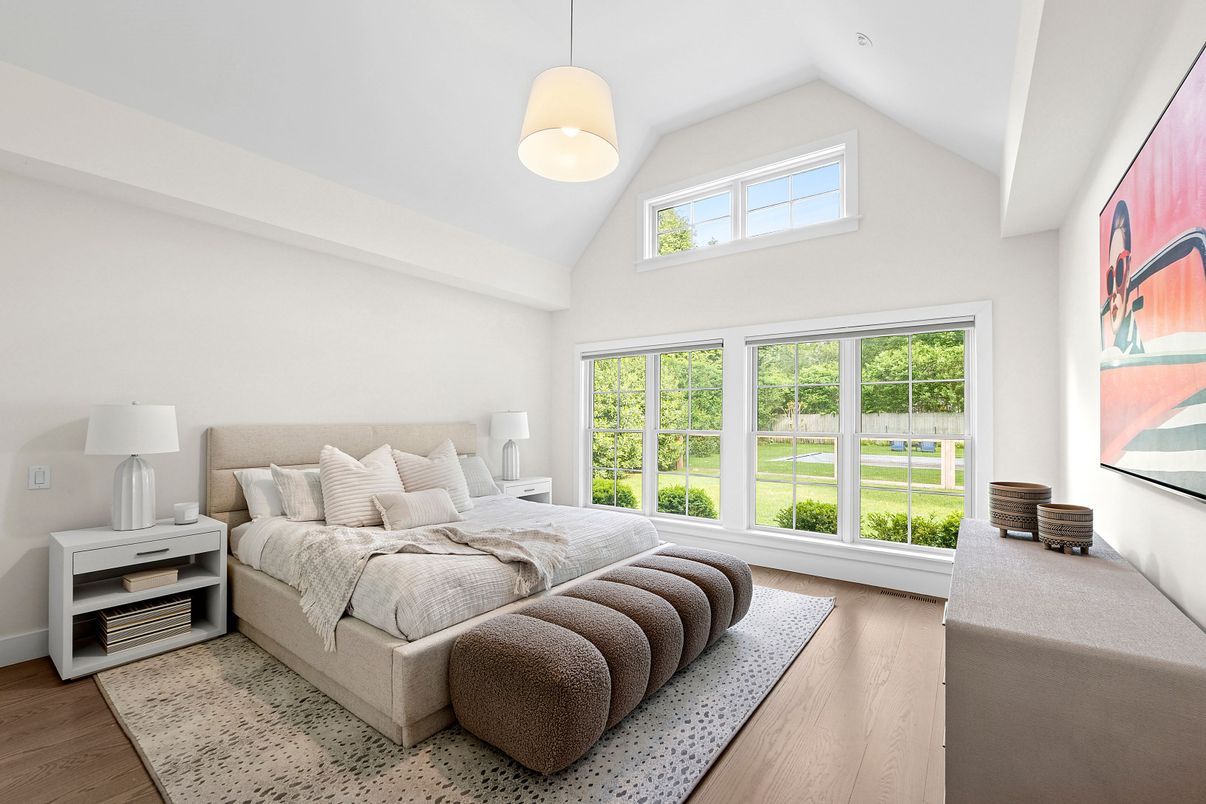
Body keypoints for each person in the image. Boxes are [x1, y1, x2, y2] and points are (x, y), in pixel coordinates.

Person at [1105, 200, 1144, 354]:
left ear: (1128, 274)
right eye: (1110, 279)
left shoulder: (1134, 348)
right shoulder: (1115, 349)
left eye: (1120, 269)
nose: (1114, 291)